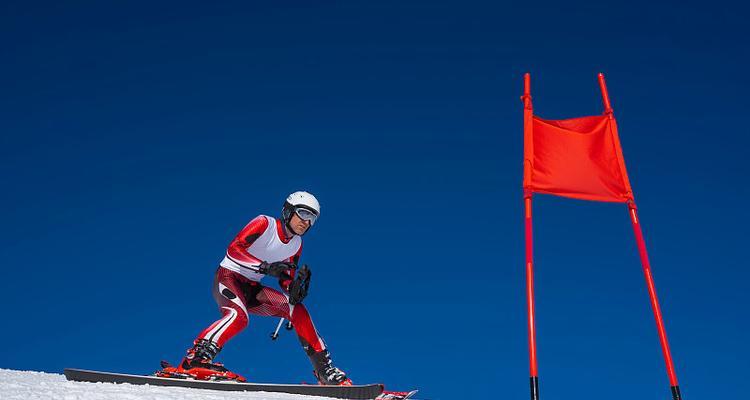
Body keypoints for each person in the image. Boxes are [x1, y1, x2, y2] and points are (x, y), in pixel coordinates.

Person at [159, 191, 351, 385]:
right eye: (303, 214)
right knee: (238, 317)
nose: (306, 222)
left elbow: (285, 277)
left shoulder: (296, 244)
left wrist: (293, 289)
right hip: (229, 277)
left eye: (312, 219)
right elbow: (234, 249)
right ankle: (195, 359)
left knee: (297, 310)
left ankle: (324, 371)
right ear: (288, 211)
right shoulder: (264, 223)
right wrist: (265, 267)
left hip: (252, 288)